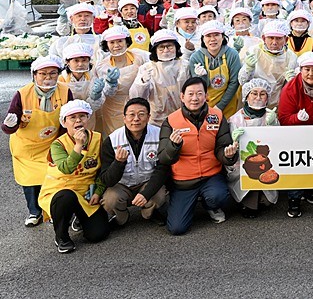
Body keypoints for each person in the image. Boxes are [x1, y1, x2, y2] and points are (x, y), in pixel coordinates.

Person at [158, 77, 238, 235]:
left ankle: (211, 206)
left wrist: (228, 155)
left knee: (218, 196)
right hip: (184, 181)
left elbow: (222, 148)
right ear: (182, 96)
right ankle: (185, 204)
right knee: (177, 229)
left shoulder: (217, 116)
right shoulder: (171, 121)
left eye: (199, 93)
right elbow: (163, 158)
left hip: (211, 176)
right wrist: (173, 146)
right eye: (190, 94)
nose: (195, 98)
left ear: (206, 96)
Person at [3, 56, 74, 227]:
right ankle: (34, 212)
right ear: (34, 75)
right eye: (43, 73)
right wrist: (9, 125)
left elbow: (69, 119)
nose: (48, 77)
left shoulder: (65, 91)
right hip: (26, 145)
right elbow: (8, 126)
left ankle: (50, 211)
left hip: (51, 143)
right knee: (29, 181)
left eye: (53, 73)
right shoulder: (22, 94)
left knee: (52, 178)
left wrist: (66, 142)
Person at [38, 100, 110, 253]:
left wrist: (98, 191)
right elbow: (66, 168)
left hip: (85, 193)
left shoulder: (97, 138)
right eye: (73, 117)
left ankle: (79, 217)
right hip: (60, 190)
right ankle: (61, 236)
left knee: (98, 234)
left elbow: (103, 169)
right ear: (64, 122)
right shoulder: (57, 144)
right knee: (66, 197)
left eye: (82, 116)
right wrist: (78, 145)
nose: (78, 120)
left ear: (88, 118)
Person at [277, 51, 313, 216]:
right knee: (297, 164)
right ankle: (294, 199)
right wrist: (297, 118)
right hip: (296, 134)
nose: (311, 74)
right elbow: (283, 118)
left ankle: (312, 190)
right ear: (300, 70)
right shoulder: (290, 88)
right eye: (307, 69)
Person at [99, 97, 167, 226]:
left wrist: (146, 193)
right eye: (131, 115)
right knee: (110, 200)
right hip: (122, 185)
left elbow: (162, 170)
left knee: (159, 195)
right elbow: (106, 179)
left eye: (141, 114)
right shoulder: (112, 140)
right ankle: (121, 218)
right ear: (124, 118)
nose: (136, 119)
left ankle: (150, 213)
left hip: (147, 182)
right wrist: (118, 163)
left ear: (148, 117)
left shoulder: (159, 135)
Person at [227, 79, 279, 218]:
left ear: (268, 97)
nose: (258, 97)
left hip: (266, 163)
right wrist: (234, 140)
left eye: (262, 94)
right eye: (254, 93)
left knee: (267, 201)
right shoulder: (235, 120)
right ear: (246, 96)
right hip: (242, 165)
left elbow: (278, 142)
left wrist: (274, 125)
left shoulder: (270, 116)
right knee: (249, 199)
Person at [93, 25, 149, 135]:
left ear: (126, 41)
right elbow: (106, 93)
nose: (116, 45)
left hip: (139, 103)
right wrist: (111, 84)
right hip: (113, 110)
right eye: (112, 43)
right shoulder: (102, 66)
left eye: (120, 41)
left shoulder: (140, 55)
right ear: (106, 45)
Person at [130, 29, 190, 126]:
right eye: (161, 47)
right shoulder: (147, 68)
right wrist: (142, 82)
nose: (166, 50)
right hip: (156, 120)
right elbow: (136, 97)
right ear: (155, 50)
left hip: (183, 117)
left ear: (176, 48)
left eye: (169, 46)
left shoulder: (184, 66)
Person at [239, 21, 299, 108]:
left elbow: (293, 89)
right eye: (271, 38)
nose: (274, 42)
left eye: (278, 38)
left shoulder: (291, 57)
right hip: (253, 102)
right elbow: (242, 81)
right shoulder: (254, 51)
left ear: (286, 40)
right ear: (263, 38)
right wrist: (248, 68)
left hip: (277, 103)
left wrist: (291, 82)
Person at [189, 21, 242, 118]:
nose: (212, 39)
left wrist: (220, 106)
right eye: (208, 36)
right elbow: (198, 88)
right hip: (205, 106)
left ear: (223, 37)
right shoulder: (196, 58)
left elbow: (234, 82)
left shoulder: (232, 54)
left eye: (216, 35)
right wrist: (202, 77)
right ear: (203, 39)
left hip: (229, 104)